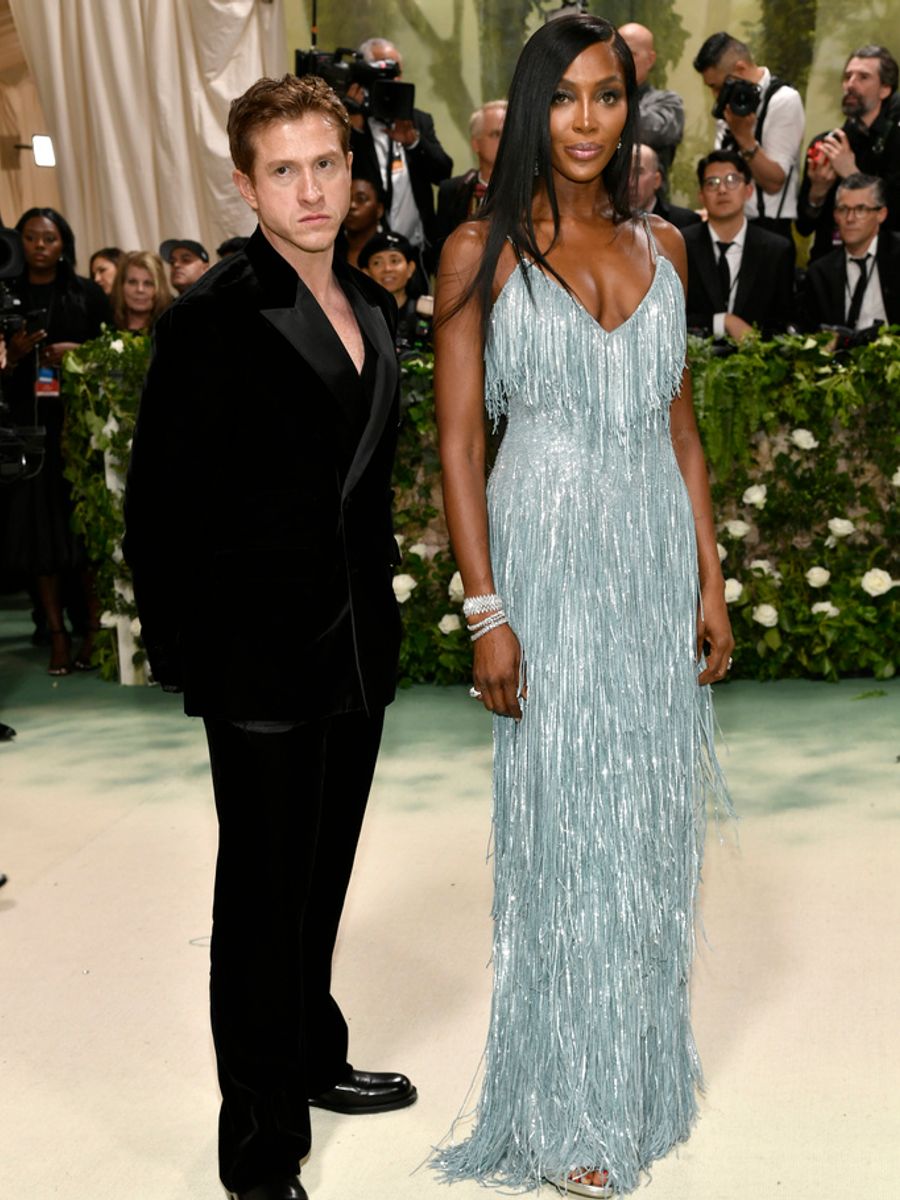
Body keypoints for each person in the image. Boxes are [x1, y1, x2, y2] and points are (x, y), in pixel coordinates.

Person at [432, 14, 732, 1198]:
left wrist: (709, 581)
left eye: (607, 97)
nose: (589, 121)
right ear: (531, 108)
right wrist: (485, 607)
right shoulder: (481, 251)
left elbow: (683, 428)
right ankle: (566, 1106)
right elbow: (459, 444)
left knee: (647, 836)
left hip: (649, 559)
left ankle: (636, 1079)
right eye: (564, 99)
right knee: (564, 842)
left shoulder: (666, 245)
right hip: (545, 567)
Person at [124, 73, 415, 1200]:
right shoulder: (212, 320)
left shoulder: (373, 302)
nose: (308, 190)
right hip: (257, 660)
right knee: (258, 902)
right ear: (244, 183)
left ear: (355, 174)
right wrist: (196, 661)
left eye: (326, 165)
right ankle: (258, 1152)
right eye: (282, 171)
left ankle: (312, 1056)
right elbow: (161, 509)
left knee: (322, 877)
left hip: (353, 648)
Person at [1, 207, 111, 674]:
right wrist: (16, 356)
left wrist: (78, 352)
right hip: (26, 431)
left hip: (78, 426)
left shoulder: (86, 293)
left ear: (64, 243)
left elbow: (114, 350)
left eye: (48, 238)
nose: (40, 246)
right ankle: (57, 636)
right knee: (40, 541)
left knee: (82, 537)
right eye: (30, 238)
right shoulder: (7, 295)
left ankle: (92, 631)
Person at [349, 36, 453, 269]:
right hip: (364, 256)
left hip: (415, 254)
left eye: (397, 71)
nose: (393, 78)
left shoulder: (418, 120)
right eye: (384, 70)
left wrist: (413, 141)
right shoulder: (349, 122)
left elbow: (443, 172)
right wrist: (355, 128)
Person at [693, 31, 804, 240]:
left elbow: (774, 182)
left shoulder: (783, 100)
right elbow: (722, 167)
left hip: (768, 228)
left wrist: (743, 137)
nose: (715, 96)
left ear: (740, 69)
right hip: (728, 224)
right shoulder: (728, 105)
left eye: (717, 87)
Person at [797, 45, 900, 260]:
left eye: (863, 77)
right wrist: (817, 192)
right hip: (828, 269)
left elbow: (895, 218)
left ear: (885, 89)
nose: (851, 85)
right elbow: (804, 227)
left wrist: (853, 175)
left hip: (885, 270)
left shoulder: (895, 144)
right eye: (847, 76)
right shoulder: (826, 144)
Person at [684, 149, 795, 340]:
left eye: (732, 180)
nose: (722, 190)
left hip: (757, 362)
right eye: (712, 183)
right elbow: (670, 316)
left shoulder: (776, 250)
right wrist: (723, 322)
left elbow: (783, 322)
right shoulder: (681, 245)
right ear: (701, 195)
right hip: (694, 361)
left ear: (748, 191)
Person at [798, 173, 900, 332]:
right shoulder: (821, 272)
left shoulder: (896, 253)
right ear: (835, 215)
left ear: (881, 214)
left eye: (861, 209)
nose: (850, 218)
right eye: (843, 209)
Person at [435, 100, 507, 254]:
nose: (506, 141)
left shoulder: (536, 189)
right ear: (476, 144)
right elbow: (439, 253)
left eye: (511, 133)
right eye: (496, 134)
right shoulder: (452, 191)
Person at [619, 22, 684, 178]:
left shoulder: (668, 103)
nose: (623, 61)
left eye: (632, 54)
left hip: (645, 198)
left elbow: (655, 130)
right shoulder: (597, 100)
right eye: (618, 53)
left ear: (650, 59)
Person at [359, 230, 432, 351]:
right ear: (366, 274)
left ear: (410, 268)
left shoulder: (428, 313)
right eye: (377, 263)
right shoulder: (359, 316)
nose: (387, 269)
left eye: (394, 261)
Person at [632, 143, 701, 229]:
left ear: (657, 180)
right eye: (623, 174)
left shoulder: (684, 222)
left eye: (638, 172)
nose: (629, 182)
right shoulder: (612, 222)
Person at [110, 250, 172, 333]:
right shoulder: (105, 325)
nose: (140, 289)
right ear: (121, 285)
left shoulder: (172, 328)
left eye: (148, 283)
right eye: (132, 282)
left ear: (159, 288)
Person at [339, 170, 387, 267]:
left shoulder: (392, 250)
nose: (352, 205)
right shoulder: (330, 251)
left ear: (379, 210)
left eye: (361, 199)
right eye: (347, 199)